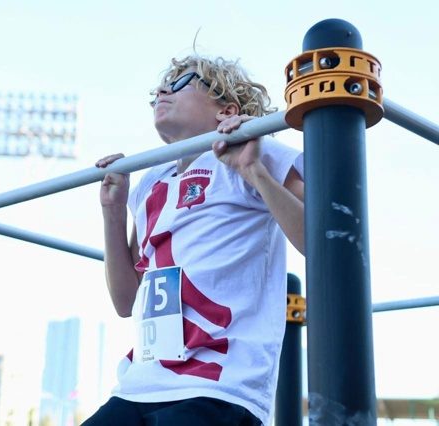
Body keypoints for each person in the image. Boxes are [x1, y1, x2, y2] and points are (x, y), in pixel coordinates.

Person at [84, 53, 305, 426]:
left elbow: (322, 242)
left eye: (180, 83)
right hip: (142, 382)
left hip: (219, 381)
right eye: (158, 90)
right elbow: (126, 301)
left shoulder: (246, 150)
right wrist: (113, 210)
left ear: (226, 110)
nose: (163, 92)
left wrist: (253, 170)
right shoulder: (150, 182)